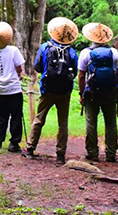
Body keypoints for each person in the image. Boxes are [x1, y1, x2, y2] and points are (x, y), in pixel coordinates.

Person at [24, 16, 78, 165]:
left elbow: (37, 66)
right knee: (63, 123)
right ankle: (60, 155)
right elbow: (76, 72)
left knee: (39, 119)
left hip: (47, 89)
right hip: (65, 92)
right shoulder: (72, 52)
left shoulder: (45, 47)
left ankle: (30, 148)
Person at [77, 22, 118, 163]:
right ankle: (111, 153)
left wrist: (81, 93)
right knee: (111, 123)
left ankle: (92, 153)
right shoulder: (113, 52)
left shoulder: (86, 53)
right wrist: (113, 87)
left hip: (92, 94)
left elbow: (81, 75)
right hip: (109, 93)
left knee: (91, 122)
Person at [0, 21, 26, 153]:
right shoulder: (13, 50)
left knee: (1, 116)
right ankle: (14, 143)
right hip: (14, 89)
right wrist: (19, 74)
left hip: (0, 90)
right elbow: (19, 67)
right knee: (16, 116)